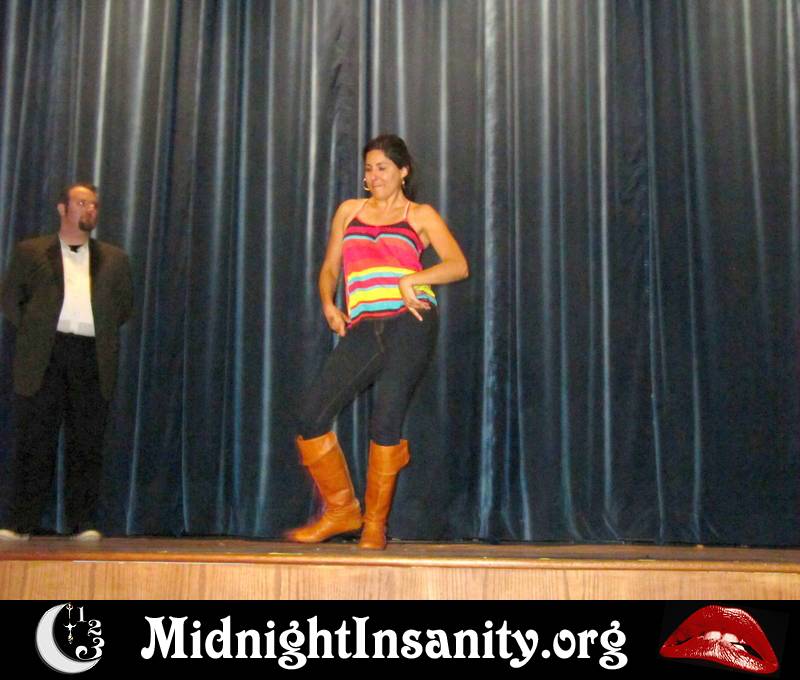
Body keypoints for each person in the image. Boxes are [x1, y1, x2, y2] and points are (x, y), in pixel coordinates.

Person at [288, 134, 468, 550]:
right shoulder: (349, 211)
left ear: (403, 171)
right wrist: (328, 303)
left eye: (382, 167)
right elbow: (330, 268)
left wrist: (414, 279)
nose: (374, 176)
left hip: (411, 320)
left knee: (386, 419)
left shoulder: (419, 215)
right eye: (369, 169)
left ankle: (374, 525)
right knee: (311, 414)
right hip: (365, 325)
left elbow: (459, 266)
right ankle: (342, 511)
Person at [0, 183, 133, 541]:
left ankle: (82, 522)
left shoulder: (115, 259)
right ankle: (20, 522)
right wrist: (38, 329)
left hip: (91, 355)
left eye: (94, 205)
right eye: (81, 203)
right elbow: (11, 300)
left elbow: (123, 307)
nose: (89, 209)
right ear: (62, 209)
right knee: (34, 439)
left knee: (87, 442)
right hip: (46, 353)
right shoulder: (31, 252)